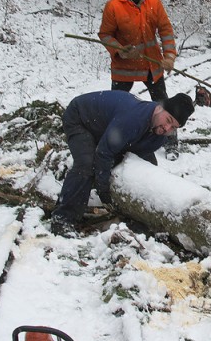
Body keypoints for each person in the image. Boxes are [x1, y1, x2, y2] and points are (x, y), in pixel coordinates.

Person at [49, 90, 195, 235]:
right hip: (80, 118)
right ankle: (63, 219)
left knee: (148, 165)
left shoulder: (160, 134)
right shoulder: (133, 118)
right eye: (168, 120)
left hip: (109, 128)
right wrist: (103, 189)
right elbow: (104, 152)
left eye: (174, 127)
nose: (167, 129)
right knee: (86, 164)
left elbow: (136, 155)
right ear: (158, 108)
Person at [99, 0, 181, 159]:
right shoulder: (114, 6)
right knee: (116, 106)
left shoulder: (153, 1)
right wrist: (120, 50)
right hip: (123, 68)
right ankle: (109, 141)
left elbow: (166, 30)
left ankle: (170, 142)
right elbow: (105, 34)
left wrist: (169, 55)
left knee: (163, 104)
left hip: (151, 65)